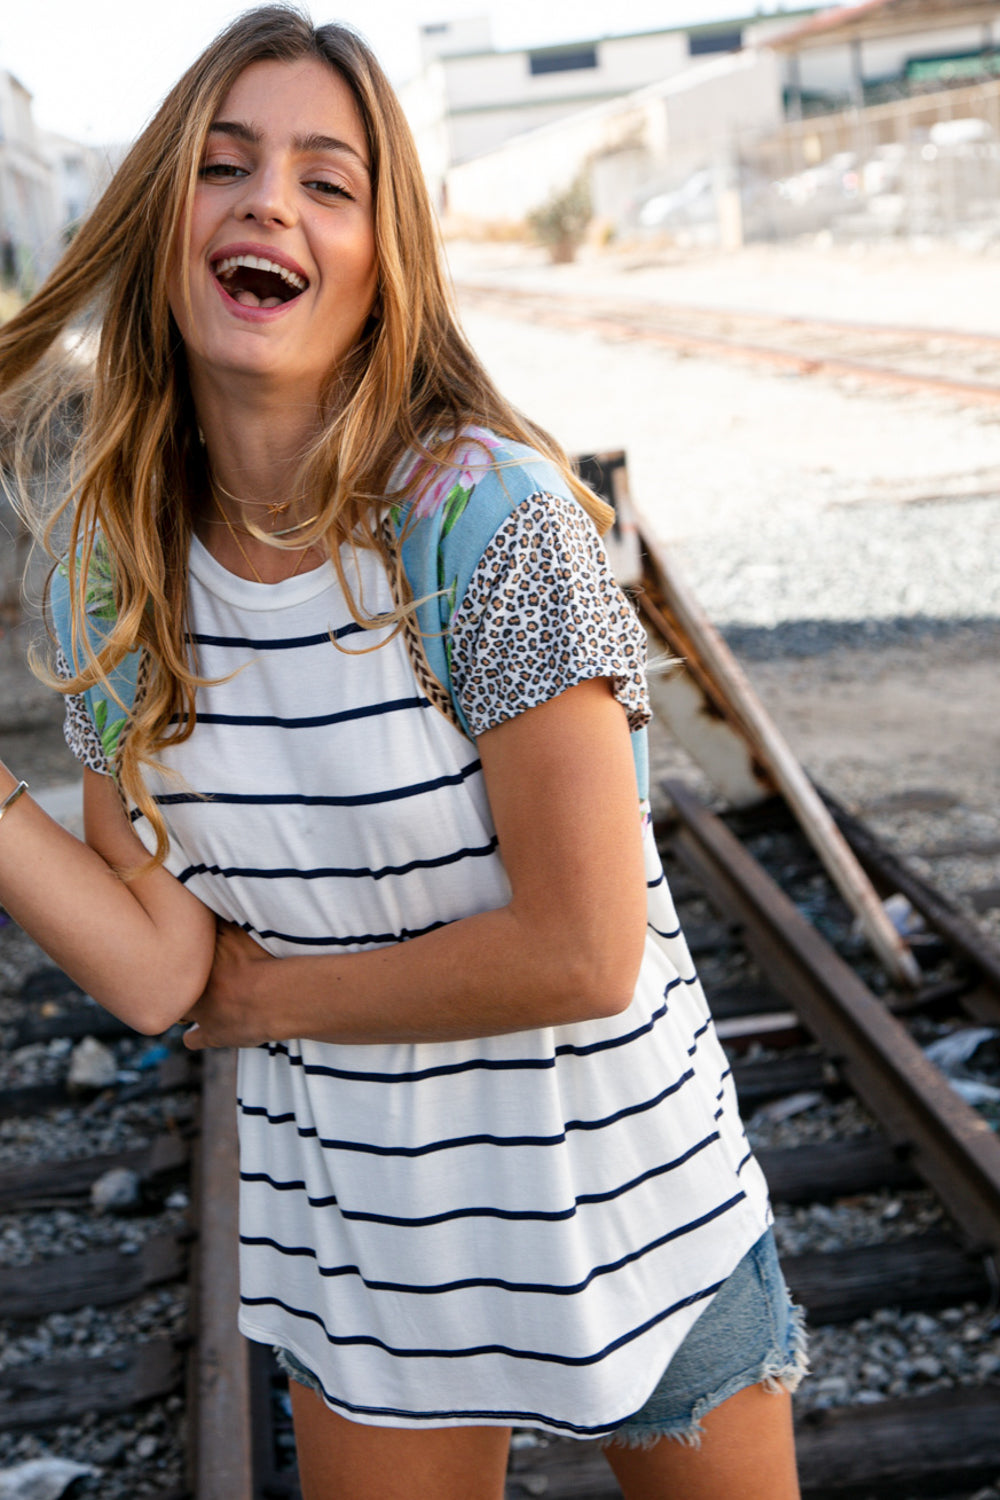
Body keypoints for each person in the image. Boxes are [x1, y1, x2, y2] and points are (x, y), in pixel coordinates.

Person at [0, 8, 805, 1497]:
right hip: (367, 1245)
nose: (268, 204)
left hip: (621, 1204)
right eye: (224, 166)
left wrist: (278, 998)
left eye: (327, 180)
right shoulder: (114, 579)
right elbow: (167, 969)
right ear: (164, 218)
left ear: (385, 260)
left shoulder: (485, 524)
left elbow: (583, 951)